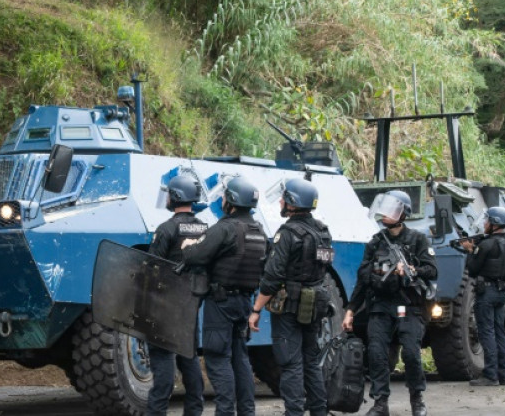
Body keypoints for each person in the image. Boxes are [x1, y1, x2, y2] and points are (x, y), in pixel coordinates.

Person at [342, 190, 437, 416]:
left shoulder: (417, 239)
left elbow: (432, 270)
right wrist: (351, 310)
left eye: (392, 209)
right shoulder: (375, 243)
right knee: (376, 353)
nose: (386, 214)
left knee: (412, 354)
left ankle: (417, 399)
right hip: (381, 305)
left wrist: (413, 269)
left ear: (403, 213)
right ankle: (380, 402)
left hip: (409, 305)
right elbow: (363, 280)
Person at [181, 176, 266, 416]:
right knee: (240, 360)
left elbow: (196, 256)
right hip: (244, 304)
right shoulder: (258, 231)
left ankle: (225, 412)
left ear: (232, 201)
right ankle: (247, 412)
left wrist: (189, 246)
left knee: (218, 360)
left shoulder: (225, 227)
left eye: (226, 196)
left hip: (221, 303)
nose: (223, 200)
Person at [249, 177, 333, 416]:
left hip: (289, 307)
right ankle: (319, 410)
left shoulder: (287, 233)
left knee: (290, 363)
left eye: (284, 198)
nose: (281, 201)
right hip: (315, 304)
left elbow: (273, 275)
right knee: (311, 361)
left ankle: (294, 412)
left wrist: (256, 309)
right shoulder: (323, 231)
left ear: (293, 202)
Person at [146, 174, 206, 416]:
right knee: (189, 360)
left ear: (175, 196)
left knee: (162, 364)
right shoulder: (205, 229)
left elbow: (152, 268)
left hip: (164, 306)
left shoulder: (166, 229)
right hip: (190, 305)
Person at [461, 206, 505, 387]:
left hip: (487, 292)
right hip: (502, 292)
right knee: (500, 333)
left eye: (487, 221)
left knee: (486, 332)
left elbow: (473, 268)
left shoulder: (486, 245)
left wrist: (470, 250)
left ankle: (490, 375)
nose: (484, 224)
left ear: (494, 224)